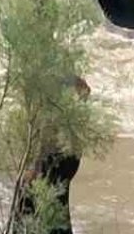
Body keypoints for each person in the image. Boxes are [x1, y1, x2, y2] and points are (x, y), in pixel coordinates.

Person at [19, 76, 91, 234]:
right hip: (66, 152)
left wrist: (34, 165)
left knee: (33, 199)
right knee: (56, 203)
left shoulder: (47, 75)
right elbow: (85, 90)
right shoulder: (59, 70)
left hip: (54, 158)